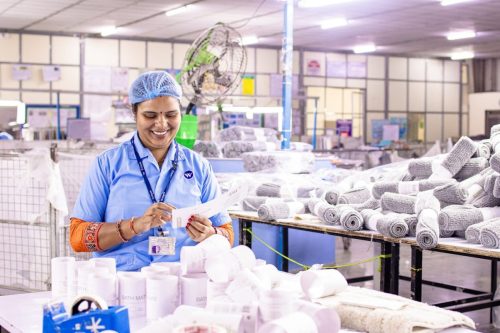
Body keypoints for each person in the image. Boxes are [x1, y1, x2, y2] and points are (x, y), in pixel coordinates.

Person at [70, 71, 233, 271]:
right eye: (150, 115)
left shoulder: (198, 166)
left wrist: (210, 233)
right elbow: (77, 237)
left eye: (171, 114)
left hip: (182, 279)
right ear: (134, 113)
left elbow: (227, 233)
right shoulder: (108, 165)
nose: (162, 124)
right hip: (124, 281)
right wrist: (133, 226)